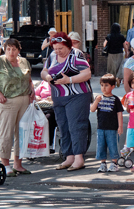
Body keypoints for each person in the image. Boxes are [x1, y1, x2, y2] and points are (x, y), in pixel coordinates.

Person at [0, 38, 35, 177]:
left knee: (21, 133)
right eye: (8, 49)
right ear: (5, 49)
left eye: (14, 49)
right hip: (7, 101)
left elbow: (28, 78)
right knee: (6, 133)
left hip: (24, 100)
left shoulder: (23, 62)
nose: (11, 52)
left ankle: (18, 164)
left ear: (18, 50)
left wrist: (32, 89)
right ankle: (5, 164)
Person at [41, 32, 92, 172]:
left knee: (76, 126)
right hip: (58, 97)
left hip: (77, 95)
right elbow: (43, 71)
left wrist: (68, 80)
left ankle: (78, 158)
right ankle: (69, 156)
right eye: (55, 48)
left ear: (68, 46)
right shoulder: (52, 56)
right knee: (63, 126)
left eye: (60, 48)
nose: (57, 51)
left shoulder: (76, 54)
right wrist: (47, 77)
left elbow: (87, 73)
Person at [90, 74, 124, 173]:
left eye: (106, 85)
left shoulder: (116, 99)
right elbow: (92, 109)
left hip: (112, 128)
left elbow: (119, 113)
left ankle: (114, 163)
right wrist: (96, 101)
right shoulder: (99, 98)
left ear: (112, 86)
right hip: (101, 127)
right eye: (102, 85)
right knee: (101, 145)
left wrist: (120, 126)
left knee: (113, 145)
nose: (103, 88)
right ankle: (103, 163)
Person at [104, 23, 126, 87]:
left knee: (111, 67)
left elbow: (104, 44)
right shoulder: (121, 36)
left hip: (111, 54)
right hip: (119, 53)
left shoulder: (109, 36)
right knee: (119, 66)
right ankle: (118, 79)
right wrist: (127, 53)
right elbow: (125, 46)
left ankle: (112, 80)